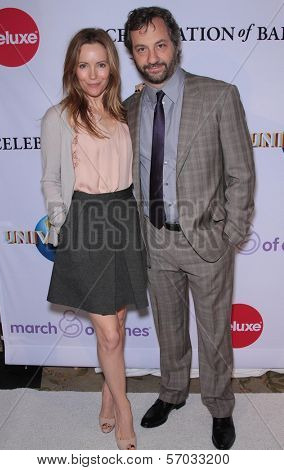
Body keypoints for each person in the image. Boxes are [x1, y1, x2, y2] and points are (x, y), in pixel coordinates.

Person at [123, 6, 255, 450]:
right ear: (133, 56)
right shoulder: (129, 108)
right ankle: (173, 392)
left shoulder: (219, 95)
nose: (152, 56)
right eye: (141, 49)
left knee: (215, 331)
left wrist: (230, 232)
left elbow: (241, 172)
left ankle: (219, 406)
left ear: (176, 44)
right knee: (169, 326)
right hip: (154, 240)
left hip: (206, 240)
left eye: (160, 45)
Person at [40, 28, 149, 450]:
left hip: (125, 217)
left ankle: (107, 394)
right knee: (108, 334)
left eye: (100, 64)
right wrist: (61, 224)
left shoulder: (126, 112)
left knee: (117, 326)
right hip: (85, 220)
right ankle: (123, 408)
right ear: (72, 68)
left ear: (111, 66)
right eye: (83, 65)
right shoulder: (59, 117)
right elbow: (51, 179)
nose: (92, 74)